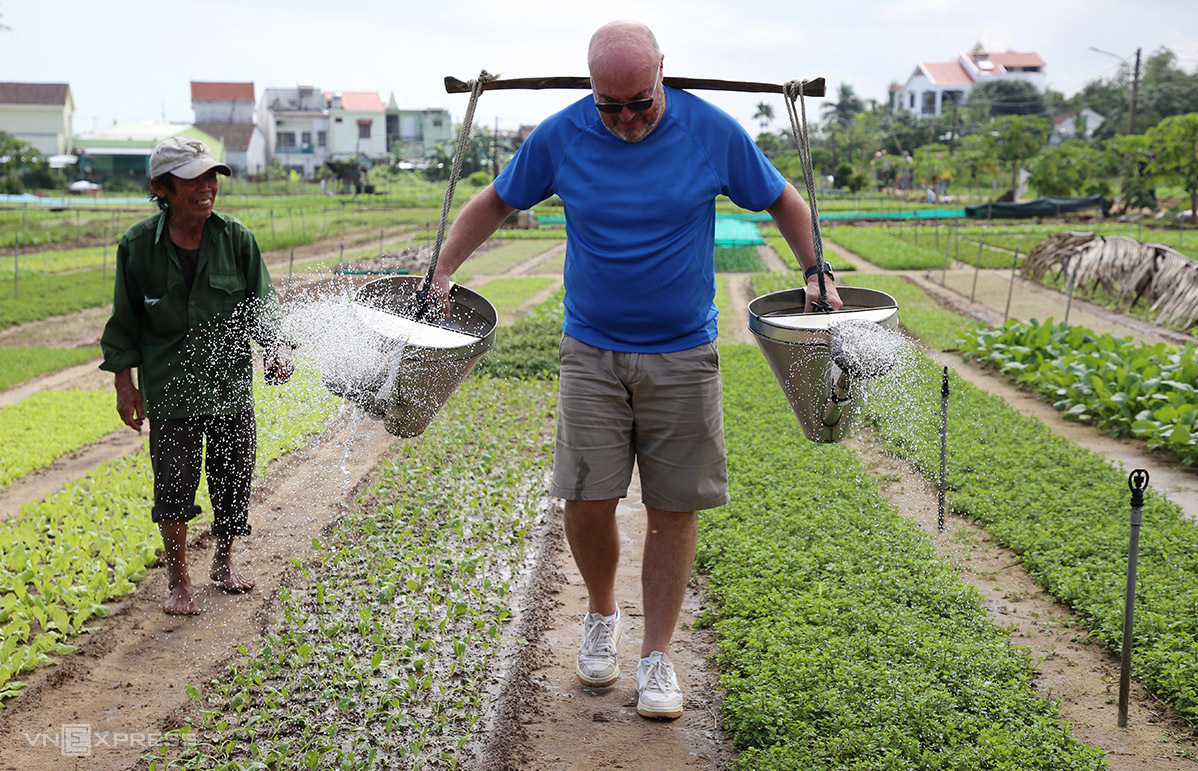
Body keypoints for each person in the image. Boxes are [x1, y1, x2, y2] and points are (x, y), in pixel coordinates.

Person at [428, 20, 842, 720]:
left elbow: (781, 198)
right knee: (584, 500)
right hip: (590, 346)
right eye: (609, 105)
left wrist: (814, 270)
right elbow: (497, 200)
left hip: (683, 351)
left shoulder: (712, 131)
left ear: (662, 77)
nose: (624, 118)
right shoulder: (561, 135)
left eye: (639, 102)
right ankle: (599, 613)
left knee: (673, 509)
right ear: (591, 91)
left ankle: (656, 657)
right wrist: (441, 270)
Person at [100, 137, 294, 615]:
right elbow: (124, 323)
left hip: (228, 385)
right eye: (193, 180)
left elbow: (262, 306)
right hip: (171, 388)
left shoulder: (237, 240)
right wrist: (124, 383)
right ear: (163, 188)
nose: (207, 188)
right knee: (173, 485)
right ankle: (178, 580)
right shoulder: (138, 247)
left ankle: (224, 562)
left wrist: (275, 348)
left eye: (212, 177)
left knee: (233, 477)